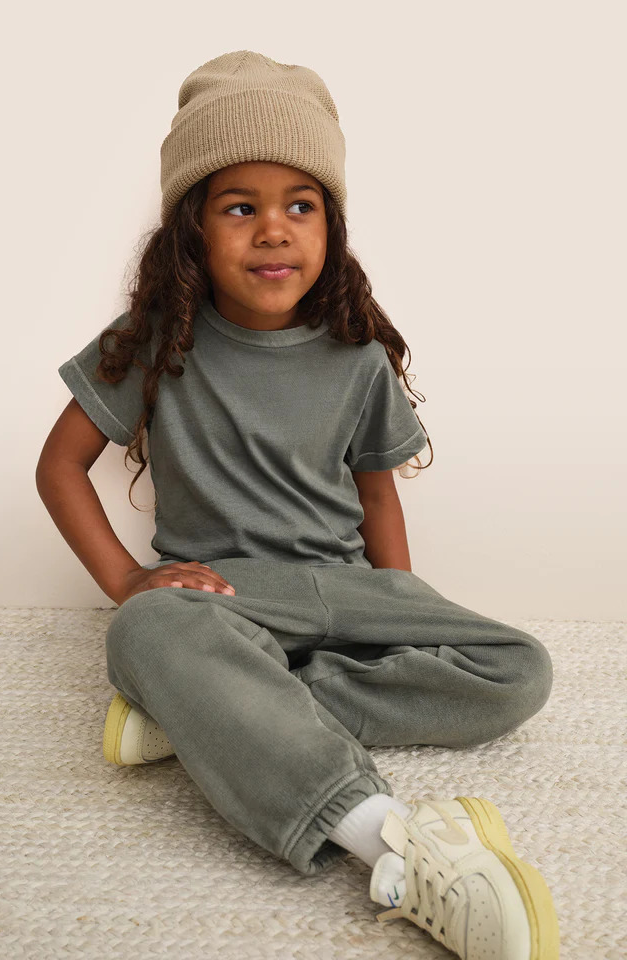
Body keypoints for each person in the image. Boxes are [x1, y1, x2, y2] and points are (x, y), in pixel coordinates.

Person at [36, 50, 559, 958]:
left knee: (522, 670)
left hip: (339, 588)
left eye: (300, 205)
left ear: (331, 226)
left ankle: (214, 713)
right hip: (226, 600)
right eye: (241, 206)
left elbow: (376, 492)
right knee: (144, 632)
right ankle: (385, 838)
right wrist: (129, 581)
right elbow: (58, 466)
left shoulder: (356, 356)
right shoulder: (154, 342)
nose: (273, 230)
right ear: (192, 231)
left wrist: (404, 606)